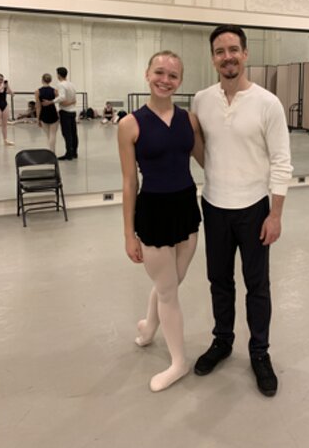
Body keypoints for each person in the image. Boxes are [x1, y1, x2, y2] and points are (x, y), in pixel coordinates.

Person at [192, 24, 293, 397]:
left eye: (233, 49)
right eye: (220, 51)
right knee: (219, 281)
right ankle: (222, 341)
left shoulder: (268, 103)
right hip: (214, 205)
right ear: (213, 58)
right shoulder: (201, 100)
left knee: (257, 286)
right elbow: (203, 150)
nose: (227, 57)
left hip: (254, 209)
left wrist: (275, 214)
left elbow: (281, 162)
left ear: (245, 54)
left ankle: (259, 352)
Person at [118, 50, 203, 392]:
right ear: (147, 74)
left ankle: (149, 328)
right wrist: (129, 234)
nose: (165, 80)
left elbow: (209, 160)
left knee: (171, 282)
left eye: (173, 75)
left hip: (186, 208)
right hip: (153, 212)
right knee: (168, 291)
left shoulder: (189, 120)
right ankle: (179, 362)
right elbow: (129, 183)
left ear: (180, 81)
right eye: (159, 72)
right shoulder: (130, 124)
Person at [42, 67, 78, 160]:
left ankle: (69, 154)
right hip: (73, 111)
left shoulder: (61, 85)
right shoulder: (71, 84)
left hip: (65, 111)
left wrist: (51, 102)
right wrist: (70, 102)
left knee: (67, 134)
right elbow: (74, 98)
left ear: (58, 75)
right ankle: (74, 152)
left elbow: (62, 97)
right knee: (73, 133)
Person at [35, 73, 59, 153]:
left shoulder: (38, 91)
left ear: (42, 80)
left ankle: (51, 152)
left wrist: (38, 119)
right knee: (53, 134)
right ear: (50, 81)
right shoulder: (55, 91)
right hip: (53, 113)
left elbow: (38, 106)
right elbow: (59, 101)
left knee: (48, 135)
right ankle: (53, 151)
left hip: (44, 114)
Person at [0, 73, 15, 147]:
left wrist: (8, 86)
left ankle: (5, 140)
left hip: (4, 104)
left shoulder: (4, 87)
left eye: (2, 80)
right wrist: (1, 88)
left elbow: (12, 94)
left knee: (4, 124)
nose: (1, 81)